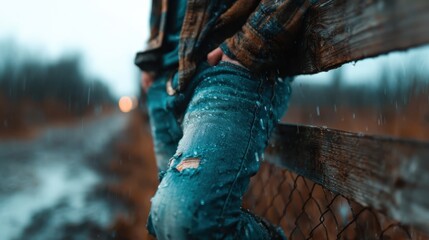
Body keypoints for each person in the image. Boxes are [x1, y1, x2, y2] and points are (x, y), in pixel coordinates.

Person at [135, 0, 315, 239]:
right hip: (165, 80)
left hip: (224, 67)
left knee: (186, 220)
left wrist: (251, 43)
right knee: (165, 224)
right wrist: (152, 53)